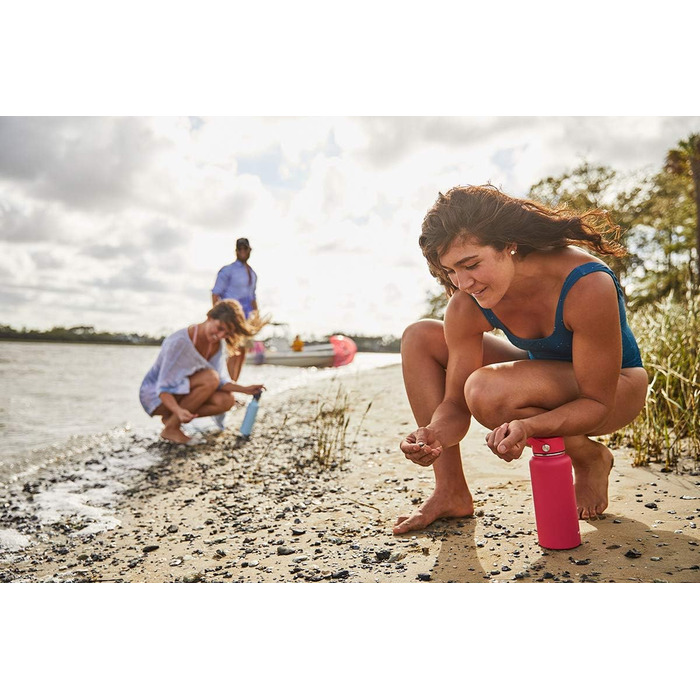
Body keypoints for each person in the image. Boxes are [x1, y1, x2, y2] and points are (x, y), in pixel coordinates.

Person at [396, 184, 648, 535]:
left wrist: (530, 427)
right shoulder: (467, 301)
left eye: (470, 265)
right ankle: (450, 490)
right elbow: (455, 403)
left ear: (508, 243)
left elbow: (596, 402)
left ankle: (588, 456)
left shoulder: (586, 284)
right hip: (545, 375)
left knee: (487, 390)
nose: (462, 282)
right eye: (451, 270)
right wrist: (433, 434)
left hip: (616, 389)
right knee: (419, 337)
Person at [139, 299, 265, 445]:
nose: (220, 335)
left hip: (181, 392)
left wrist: (245, 389)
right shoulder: (179, 342)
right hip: (155, 396)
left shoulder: (217, 345)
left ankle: (171, 420)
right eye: (219, 328)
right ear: (209, 317)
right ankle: (172, 427)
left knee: (227, 400)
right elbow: (163, 387)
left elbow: (220, 382)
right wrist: (178, 411)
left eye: (226, 333)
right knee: (210, 377)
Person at [211, 237, 258, 381]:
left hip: (246, 320)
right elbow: (215, 294)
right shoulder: (227, 271)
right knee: (233, 352)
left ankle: (234, 387)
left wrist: (256, 317)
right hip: (230, 318)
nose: (243, 251)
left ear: (250, 250)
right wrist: (218, 319)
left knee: (243, 352)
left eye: (245, 248)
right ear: (236, 251)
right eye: (240, 249)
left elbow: (253, 297)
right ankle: (227, 389)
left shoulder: (253, 274)